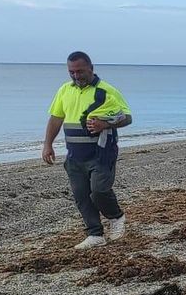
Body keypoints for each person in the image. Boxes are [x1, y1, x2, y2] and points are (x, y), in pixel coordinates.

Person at [42, 51, 132, 249]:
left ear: (91, 68)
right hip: (74, 155)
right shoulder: (65, 90)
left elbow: (127, 117)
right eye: (71, 72)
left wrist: (105, 124)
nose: (76, 76)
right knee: (81, 195)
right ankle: (95, 234)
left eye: (80, 71)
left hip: (101, 153)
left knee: (99, 192)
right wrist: (48, 144)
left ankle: (116, 217)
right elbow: (56, 118)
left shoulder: (106, 91)